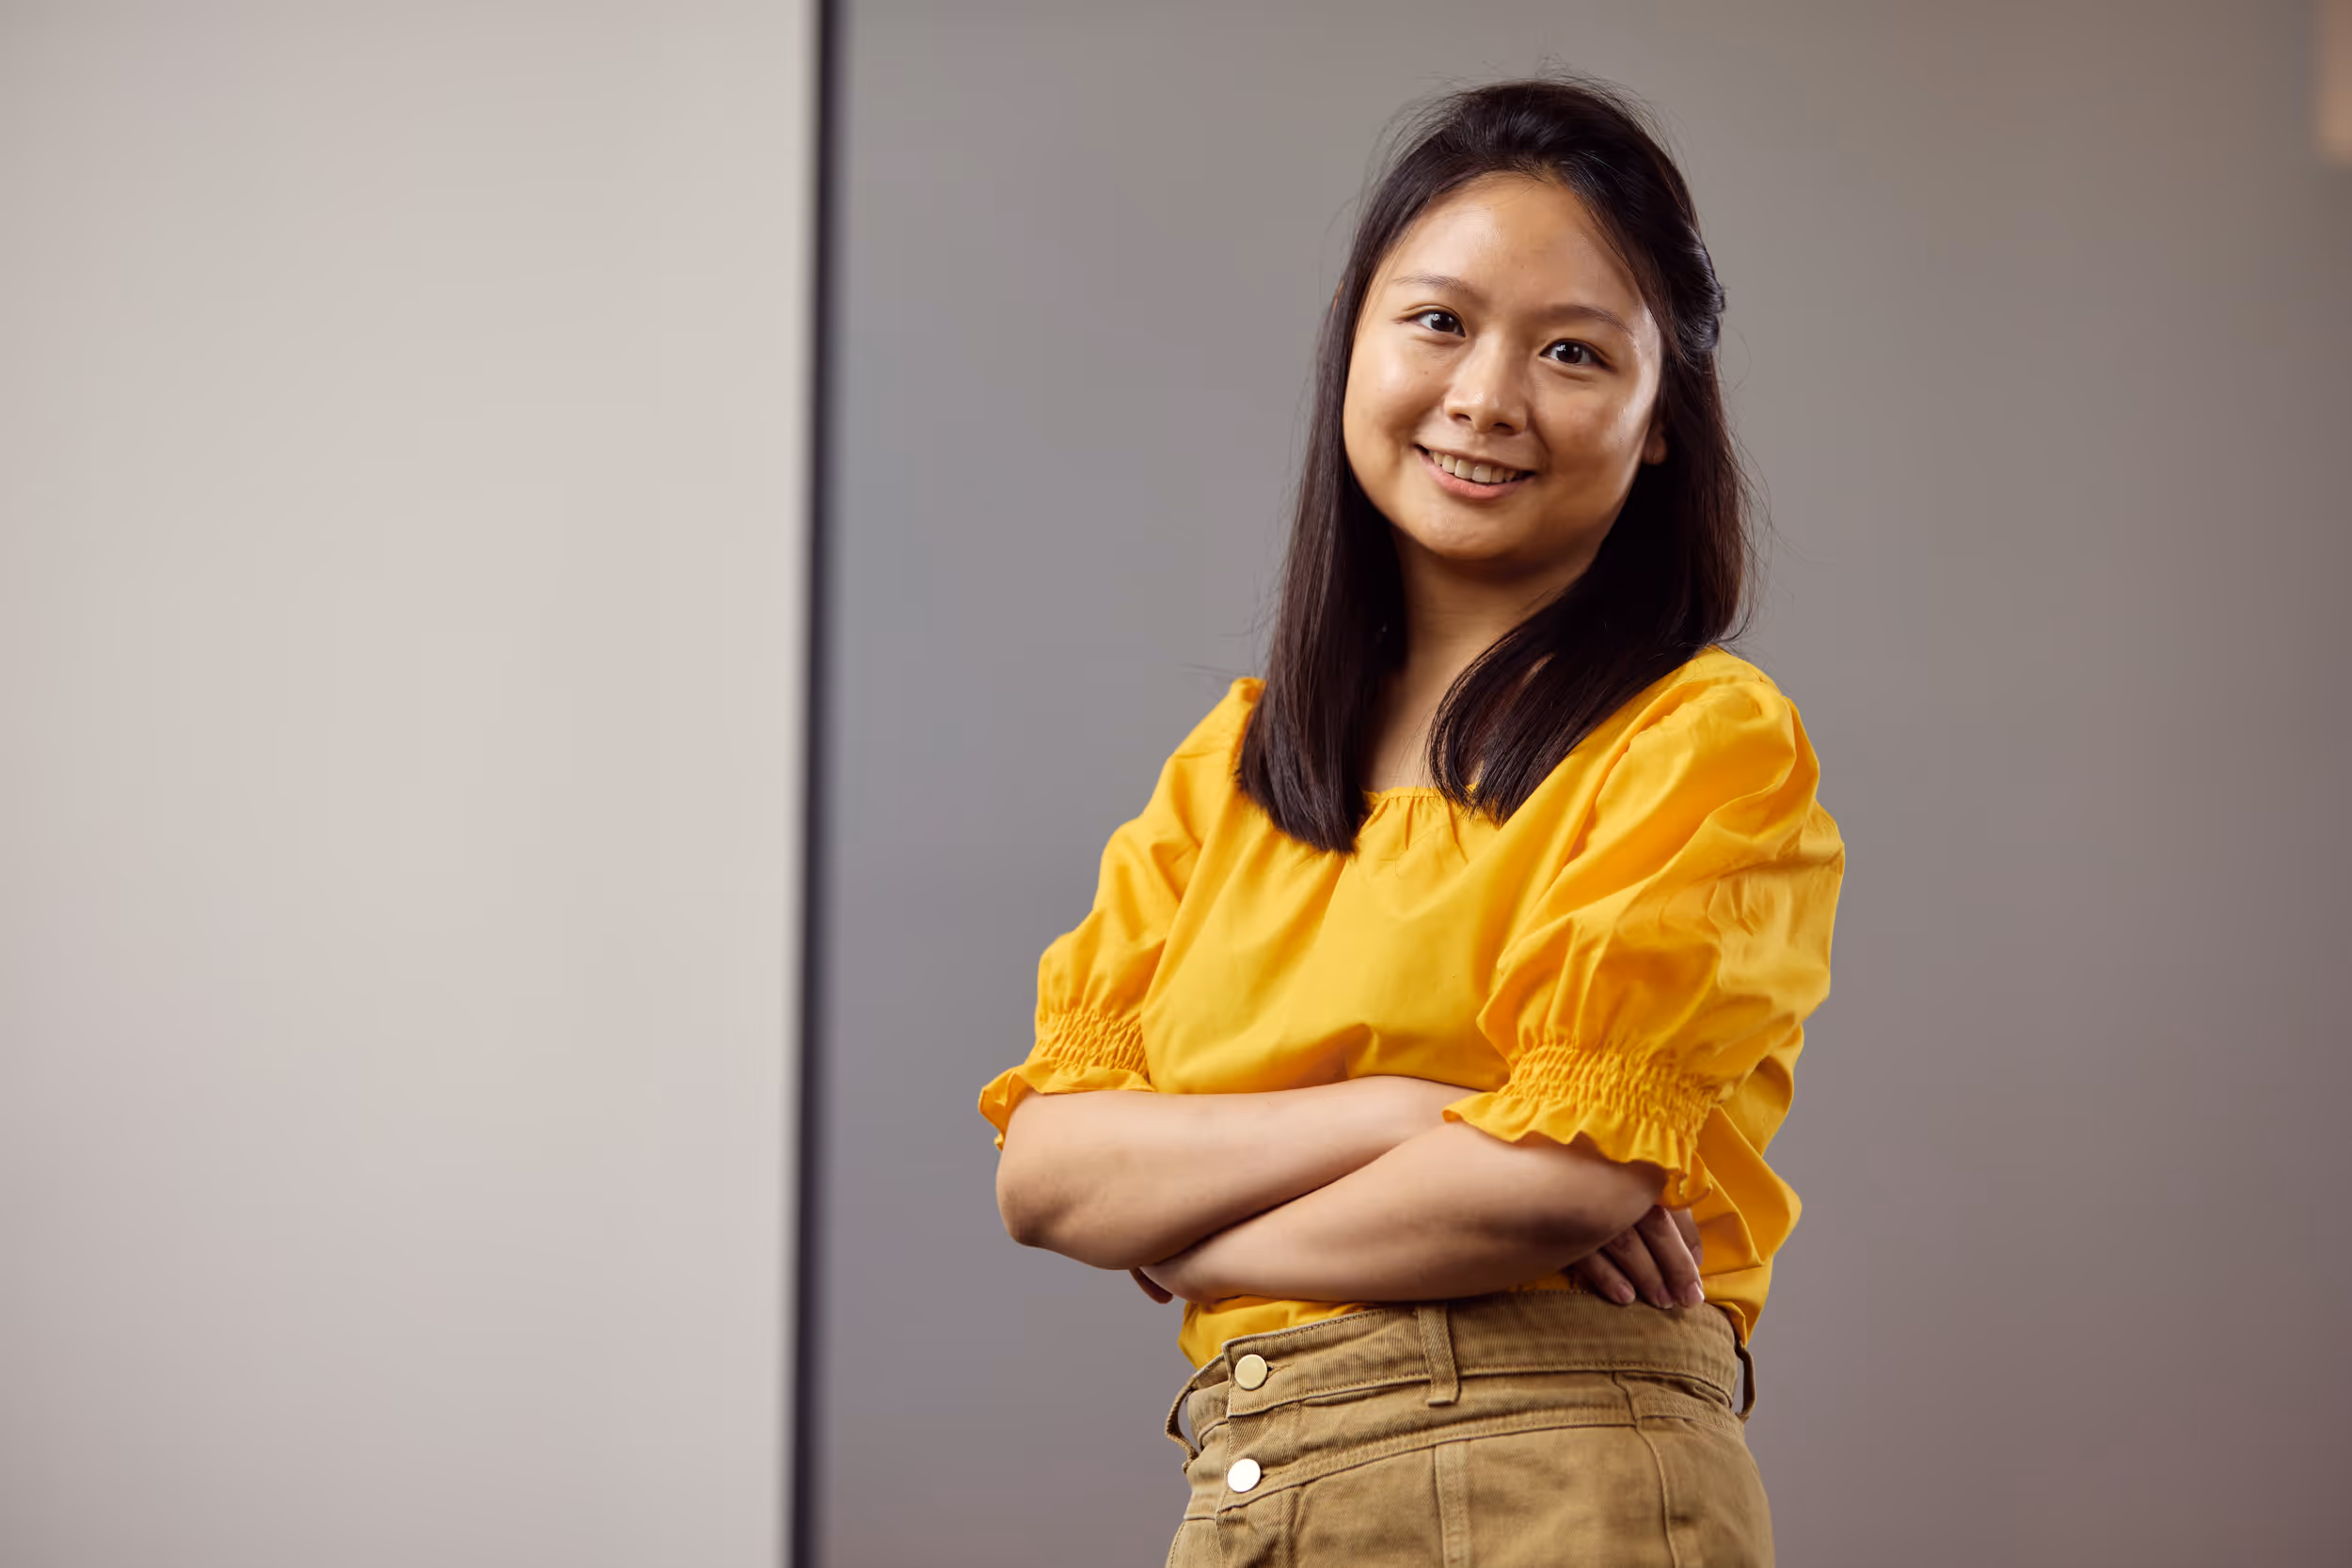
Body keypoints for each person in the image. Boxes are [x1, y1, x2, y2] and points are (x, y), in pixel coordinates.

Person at [977, 74, 1843, 1566]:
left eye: (1574, 352)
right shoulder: (1237, 766)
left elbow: (1551, 1190)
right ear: (1353, 342)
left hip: (1557, 1483)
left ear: (1658, 427)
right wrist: (1409, 1116)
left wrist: (1186, 1234)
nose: (1487, 398)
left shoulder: (1700, 742)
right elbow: (1047, 1173)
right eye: (1438, 321)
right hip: (1257, 1480)